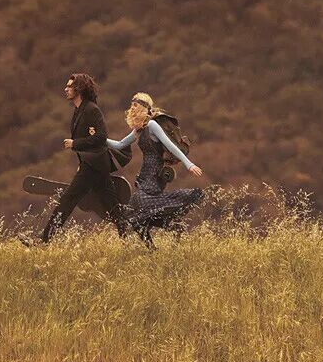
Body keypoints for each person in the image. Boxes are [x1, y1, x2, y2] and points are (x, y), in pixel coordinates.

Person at [107, 93, 204, 246]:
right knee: (137, 215)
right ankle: (161, 238)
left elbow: (171, 146)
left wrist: (189, 164)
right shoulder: (138, 130)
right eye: (132, 105)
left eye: (135, 105)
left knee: (137, 207)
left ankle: (169, 229)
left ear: (144, 108)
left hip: (155, 176)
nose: (132, 108)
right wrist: (99, 138)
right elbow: (120, 144)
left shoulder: (152, 125)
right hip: (144, 175)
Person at [40, 73, 128, 243]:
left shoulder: (91, 110)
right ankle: (130, 237)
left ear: (79, 89)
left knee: (68, 199)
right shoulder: (79, 110)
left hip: (94, 166)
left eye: (69, 86)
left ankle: (44, 239)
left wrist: (75, 143)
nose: (65, 89)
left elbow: (101, 137)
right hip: (94, 165)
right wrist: (82, 161)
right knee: (113, 206)